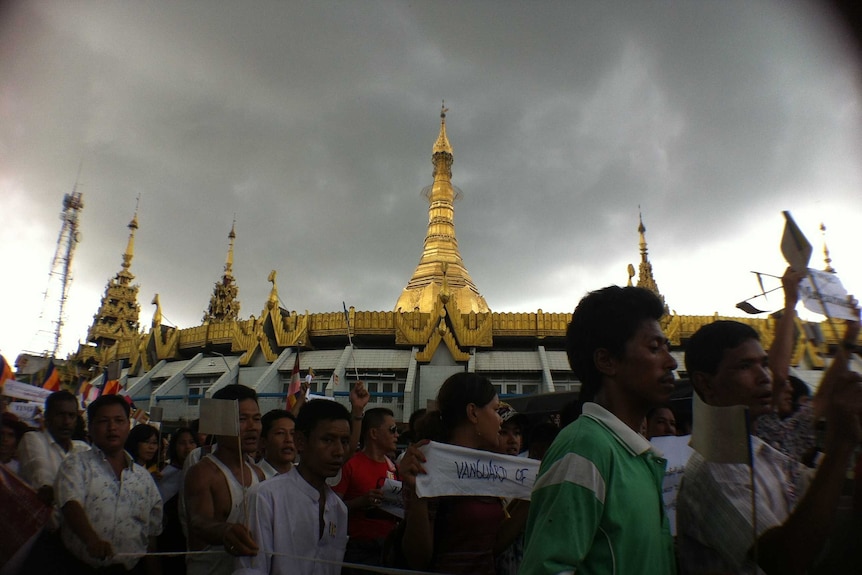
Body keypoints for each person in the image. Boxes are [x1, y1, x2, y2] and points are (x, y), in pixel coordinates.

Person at [677, 315, 862, 574]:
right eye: (745, 366)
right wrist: (841, 446)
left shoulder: (764, 454)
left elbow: (823, 506)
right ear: (705, 383)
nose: (764, 377)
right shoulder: (717, 467)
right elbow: (784, 562)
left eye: (764, 364)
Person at [519, 286, 677, 575]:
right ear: (607, 361)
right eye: (654, 348)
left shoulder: (639, 457)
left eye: (667, 348)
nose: (672, 362)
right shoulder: (585, 448)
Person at [398, 372, 526, 575]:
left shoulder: (487, 469)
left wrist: (531, 493)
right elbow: (418, 560)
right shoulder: (427, 465)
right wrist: (419, 495)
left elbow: (491, 546)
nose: (499, 421)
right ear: (473, 413)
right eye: (495, 410)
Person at [235, 399, 352, 575]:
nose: (339, 451)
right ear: (301, 441)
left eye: (344, 441)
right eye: (327, 440)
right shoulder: (265, 497)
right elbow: (251, 570)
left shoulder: (339, 510)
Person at [55, 394, 163, 574]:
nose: (112, 427)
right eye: (104, 421)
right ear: (91, 427)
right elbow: (70, 505)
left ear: (128, 426)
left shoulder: (144, 478)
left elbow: (150, 534)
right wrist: (92, 540)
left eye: (119, 420)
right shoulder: (75, 465)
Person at [184, 384, 264, 575]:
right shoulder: (202, 473)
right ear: (219, 423)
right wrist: (225, 532)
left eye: (257, 419)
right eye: (242, 419)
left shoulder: (259, 474)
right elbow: (198, 522)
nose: (252, 427)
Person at [17, 390, 91, 573]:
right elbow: (44, 485)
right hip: (43, 540)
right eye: (60, 415)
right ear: (48, 417)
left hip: (78, 539)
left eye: (71, 416)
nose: (66, 422)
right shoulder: (33, 440)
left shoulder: (83, 449)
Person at [333, 407, 400, 571]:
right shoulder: (351, 465)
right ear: (374, 434)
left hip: (390, 548)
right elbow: (332, 509)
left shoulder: (394, 468)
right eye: (392, 430)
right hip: (359, 550)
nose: (397, 436)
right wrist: (360, 502)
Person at [157, 427, 198, 575]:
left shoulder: (202, 475)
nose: (187, 447)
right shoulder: (164, 476)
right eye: (182, 443)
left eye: (192, 442)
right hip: (170, 542)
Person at [257, 409, 296, 479]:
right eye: (280, 433)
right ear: (263, 442)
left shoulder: (304, 475)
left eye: (293, 433)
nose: (289, 439)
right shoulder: (254, 477)